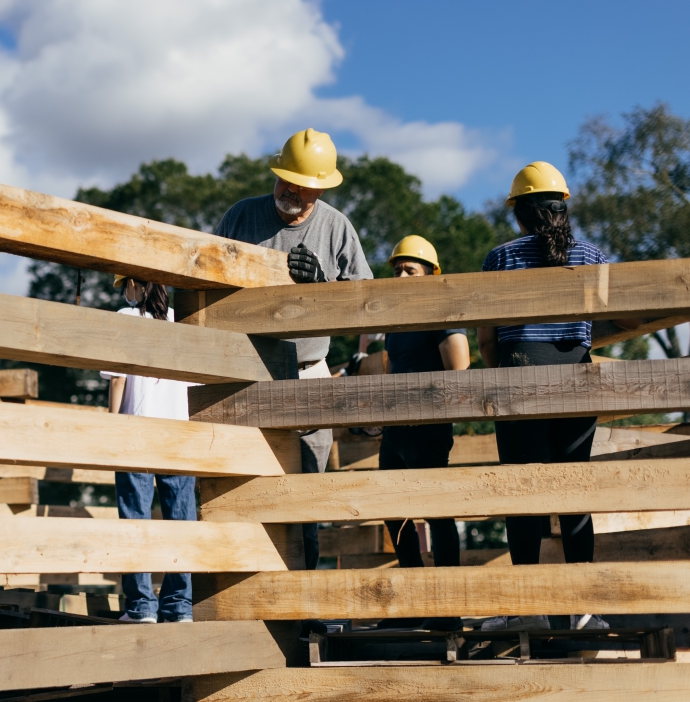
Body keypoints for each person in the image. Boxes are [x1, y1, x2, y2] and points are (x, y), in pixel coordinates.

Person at [214, 128, 373, 633]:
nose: (292, 192)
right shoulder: (241, 217)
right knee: (240, 493)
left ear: (322, 189)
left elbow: (366, 303)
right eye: (286, 181)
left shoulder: (336, 228)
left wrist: (321, 287)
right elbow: (206, 277)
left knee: (306, 498)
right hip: (246, 376)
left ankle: (307, 608)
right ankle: (243, 606)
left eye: (303, 186)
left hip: (308, 373)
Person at [476, 161, 641, 633]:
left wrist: (505, 373)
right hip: (577, 379)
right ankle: (582, 610)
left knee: (521, 492)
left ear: (518, 213)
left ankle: (524, 609)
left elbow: (488, 339)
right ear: (562, 209)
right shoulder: (592, 255)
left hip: (518, 376)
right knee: (574, 492)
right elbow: (616, 319)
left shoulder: (500, 258)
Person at [375, 235, 470, 632]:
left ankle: (447, 607)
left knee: (436, 514)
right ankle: (412, 600)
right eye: (396, 268)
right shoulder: (395, 322)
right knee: (393, 512)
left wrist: (430, 407)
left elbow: (459, 367)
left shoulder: (440, 312)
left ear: (432, 274)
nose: (400, 274)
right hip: (396, 429)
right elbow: (388, 369)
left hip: (428, 427)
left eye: (409, 269)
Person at [102, 274, 196, 624]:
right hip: (180, 433)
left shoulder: (125, 320)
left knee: (135, 520)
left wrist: (111, 427)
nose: (124, 293)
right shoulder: (181, 325)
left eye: (124, 286)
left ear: (135, 284)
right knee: (181, 522)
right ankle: (179, 606)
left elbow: (117, 378)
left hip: (136, 432)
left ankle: (142, 607)